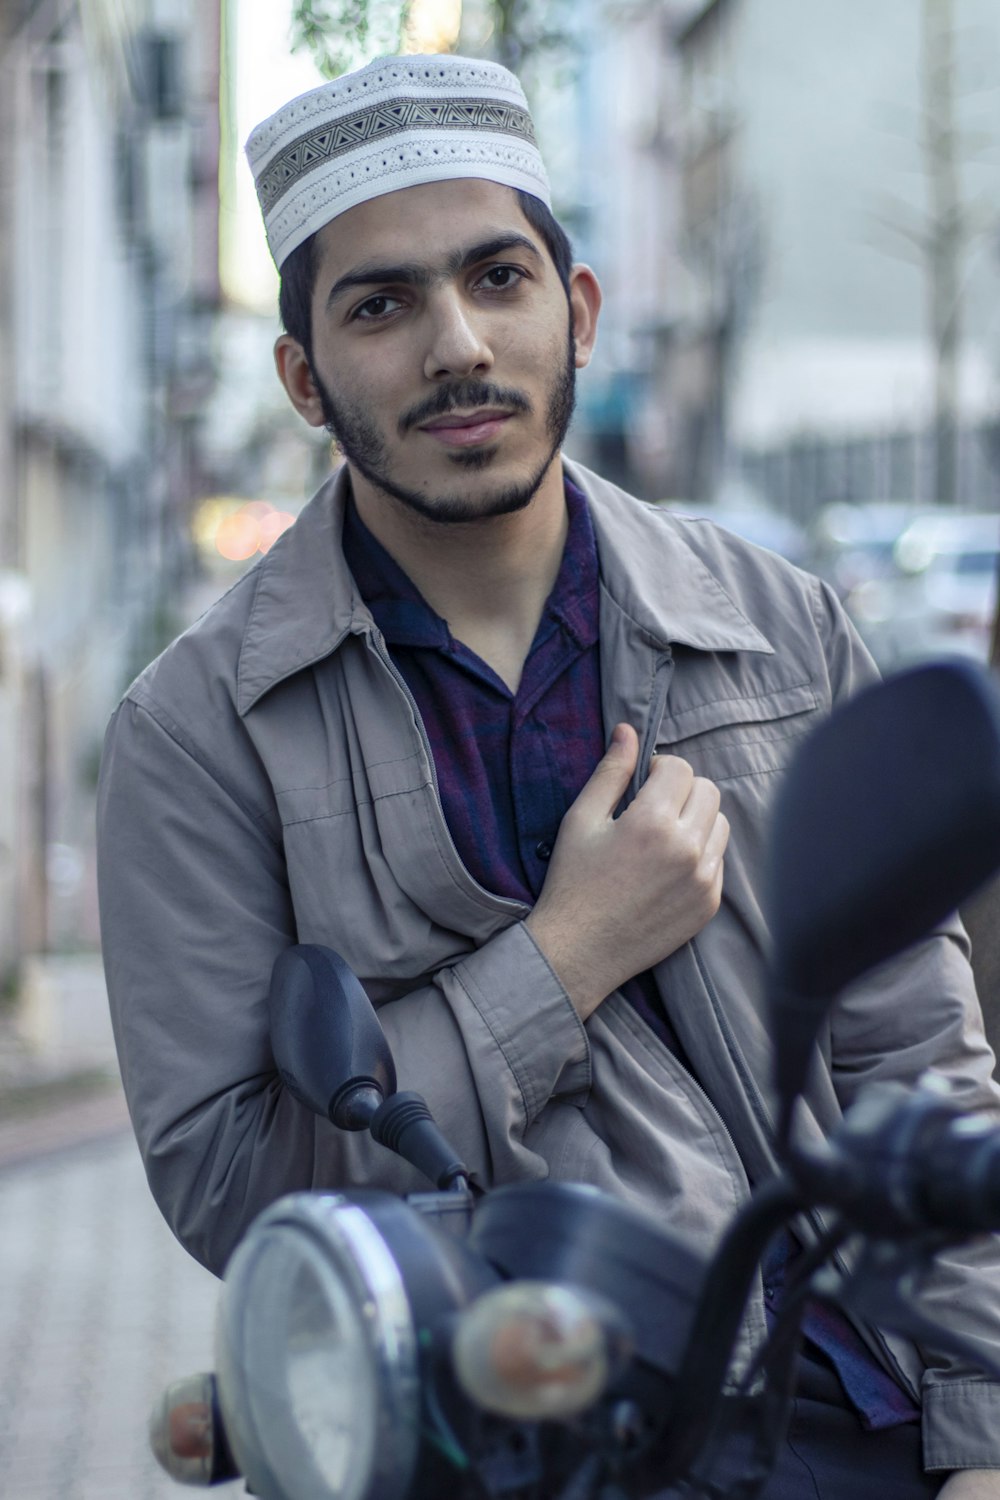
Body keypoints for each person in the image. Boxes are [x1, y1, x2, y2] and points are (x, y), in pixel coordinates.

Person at [96, 53, 1000, 1497]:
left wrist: (981, 1441)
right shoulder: (199, 732)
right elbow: (236, 1189)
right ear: (303, 375)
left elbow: (921, 1068)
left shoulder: (781, 629)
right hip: (480, 1438)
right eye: (380, 304)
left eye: (497, 277)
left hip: (842, 1408)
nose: (455, 343)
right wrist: (563, 957)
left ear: (574, 312)